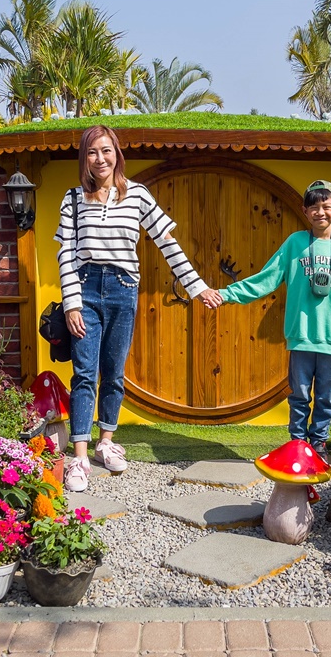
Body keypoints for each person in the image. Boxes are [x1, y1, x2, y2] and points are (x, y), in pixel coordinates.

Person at [55, 124, 222, 492]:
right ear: (85, 158)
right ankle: (80, 458)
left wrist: (197, 287)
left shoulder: (139, 195)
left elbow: (168, 244)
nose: (100, 159)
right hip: (84, 290)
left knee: (114, 372)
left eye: (106, 150)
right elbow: (65, 252)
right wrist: (71, 303)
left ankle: (106, 442)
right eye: (92, 152)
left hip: (123, 289)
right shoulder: (72, 199)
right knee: (85, 372)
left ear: (117, 153)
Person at [209, 180, 331, 457]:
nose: (320, 212)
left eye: (326, 206)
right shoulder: (295, 243)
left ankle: (317, 443)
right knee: (299, 396)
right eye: (314, 207)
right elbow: (267, 278)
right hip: (301, 335)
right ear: (305, 212)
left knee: (326, 398)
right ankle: (297, 444)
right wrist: (227, 294)